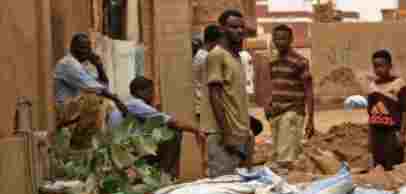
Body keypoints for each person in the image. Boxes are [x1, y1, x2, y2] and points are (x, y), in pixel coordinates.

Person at [110, 76, 207, 177]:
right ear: (140, 92)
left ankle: (153, 173)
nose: (153, 96)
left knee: (157, 132)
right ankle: (166, 176)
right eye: (151, 92)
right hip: (126, 151)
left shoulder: (127, 104)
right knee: (173, 132)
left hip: (120, 150)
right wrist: (196, 130)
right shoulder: (136, 104)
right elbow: (173, 122)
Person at [202, 10, 254, 178]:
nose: (239, 31)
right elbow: (215, 96)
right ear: (222, 29)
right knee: (223, 184)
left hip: (239, 133)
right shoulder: (216, 55)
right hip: (223, 135)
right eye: (233, 27)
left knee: (241, 185)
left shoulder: (236, 57)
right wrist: (226, 133)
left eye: (241, 27)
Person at [53, 33, 126, 149]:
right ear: (73, 48)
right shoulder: (68, 63)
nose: (87, 52)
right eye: (83, 48)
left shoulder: (81, 66)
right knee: (95, 99)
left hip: (75, 109)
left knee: (105, 104)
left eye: (88, 48)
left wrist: (98, 65)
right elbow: (95, 88)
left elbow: (103, 86)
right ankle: (89, 138)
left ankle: (102, 141)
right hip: (64, 109)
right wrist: (116, 99)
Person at [265, 24, 315, 172]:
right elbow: (274, 86)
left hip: (292, 112)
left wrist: (311, 120)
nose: (280, 42)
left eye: (284, 38)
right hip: (276, 113)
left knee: (285, 159)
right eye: (277, 38)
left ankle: (290, 187)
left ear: (291, 39)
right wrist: (269, 104)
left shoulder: (300, 61)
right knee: (278, 154)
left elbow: (309, 91)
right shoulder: (272, 62)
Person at [366, 50, 406, 171]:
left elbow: (405, 110)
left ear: (390, 66)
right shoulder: (372, 87)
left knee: (394, 167)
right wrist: (370, 138)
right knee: (379, 167)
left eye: (382, 65)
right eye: (375, 66)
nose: (378, 69)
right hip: (377, 133)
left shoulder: (399, 84)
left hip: (392, 133)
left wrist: (402, 134)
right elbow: (370, 114)